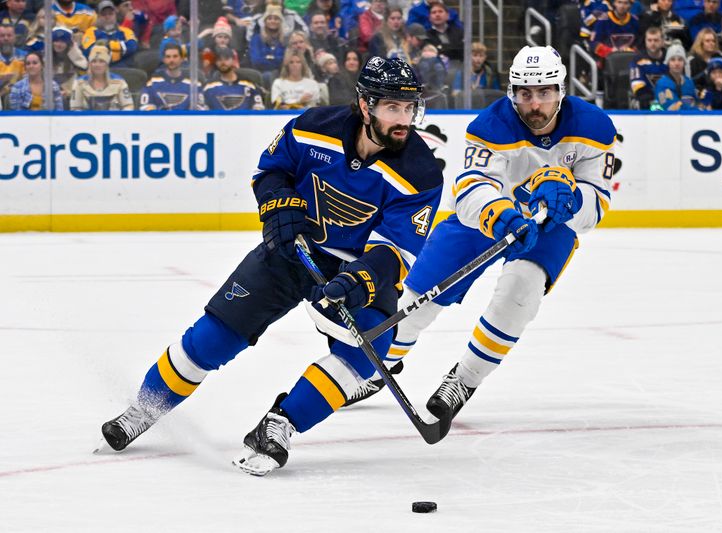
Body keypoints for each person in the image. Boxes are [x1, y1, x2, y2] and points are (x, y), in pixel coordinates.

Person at [97, 58, 443, 478]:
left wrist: (358, 280)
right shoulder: (314, 126)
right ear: (365, 105)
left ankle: (279, 425)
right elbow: (271, 170)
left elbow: (397, 250)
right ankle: (145, 408)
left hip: (355, 269)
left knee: (369, 350)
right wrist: (280, 205)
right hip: (292, 251)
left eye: (410, 108)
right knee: (216, 335)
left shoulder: (422, 171)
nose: (404, 118)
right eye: (393, 107)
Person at [331, 45, 615, 432]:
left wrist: (573, 202)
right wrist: (500, 214)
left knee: (520, 292)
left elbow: (596, 206)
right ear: (513, 92)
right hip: (490, 218)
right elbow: (471, 190)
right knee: (417, 299)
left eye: (544, 93)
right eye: (525, 94)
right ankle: (377, 368)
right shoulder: (490, 125)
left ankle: (464, 379)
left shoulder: (595, 127)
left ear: (560, 90)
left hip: (549, 226)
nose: (534, 104)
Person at [70, 44, 135, 110]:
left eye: (101, 61)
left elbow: (128, 106)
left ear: (107, 64)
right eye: (94, 61)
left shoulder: (119, 82)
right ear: (90, 64)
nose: (97, 65)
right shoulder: (79, 83)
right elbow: (75, 108)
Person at [140, 42, 202, 110]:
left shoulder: (194, 85)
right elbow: (145, 107)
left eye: (175, 56)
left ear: (182, 59)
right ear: (164, 59)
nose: (171, 60)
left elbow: (201, 110)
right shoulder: (152, 82)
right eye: (168, 57)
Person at [203, 45, 265, 110]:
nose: (223, 63)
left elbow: (259, 109)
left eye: (226, 59)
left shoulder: (249, 85)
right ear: (215, 62)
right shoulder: (209, 87)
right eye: (219, 60)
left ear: (233, 60)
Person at [81, 0, 138, 66]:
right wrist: (121, 50)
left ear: (115, 15)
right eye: (104, 14)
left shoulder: (126, 31)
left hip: (124, 69)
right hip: (100, 69)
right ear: (98, 16)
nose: (107, 17)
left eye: (110, 14)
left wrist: (106, 45)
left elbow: (132, 46)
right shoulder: (91, 31)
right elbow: (89, 50)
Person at [630, 25, 668, 109]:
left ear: (662, 41)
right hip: (646, 99)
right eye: (649, 40)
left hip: (669, 96)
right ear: (645, 41)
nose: (652, 43)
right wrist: (656, 98)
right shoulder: (637, 60)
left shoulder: (669, 58)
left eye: (656, 40)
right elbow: (637, 86)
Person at [654, 42, 697, 109]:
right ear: (668, 63)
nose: (677, 63)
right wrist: (694, 111)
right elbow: (671, 108)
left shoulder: (689, 82)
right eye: (673, 60)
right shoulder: (661, 84)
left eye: (680, 60)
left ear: (684, 62)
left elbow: (696, 103)